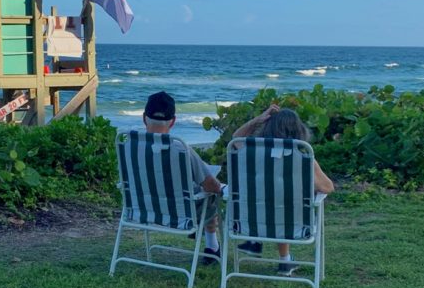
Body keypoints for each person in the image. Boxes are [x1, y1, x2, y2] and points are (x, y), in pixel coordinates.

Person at [232, 104, 335, 276]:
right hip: (291, 224)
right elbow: (328, 187)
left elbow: (236, 137)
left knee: (272, 201)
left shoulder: (250, 154)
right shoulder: (303, 158)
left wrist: (259, 118)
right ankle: (285, 261)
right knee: (284, 203)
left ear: (268, 127)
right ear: (299, 131)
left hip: (250, 224)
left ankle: (282, 258)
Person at [142, 91, 223, 265]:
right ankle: (212, 246)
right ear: (173, 121)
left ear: (144, 118)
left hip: (143, 210)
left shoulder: (128, 146)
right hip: (181, 214)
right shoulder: (181, 149)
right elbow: (210, 185)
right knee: (212, 192)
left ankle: (211, 246)